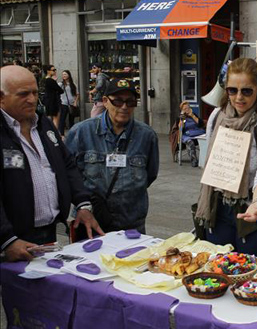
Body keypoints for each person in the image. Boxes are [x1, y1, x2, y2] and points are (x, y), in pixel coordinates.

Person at [0, 65, 102, 262]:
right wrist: (6, 239)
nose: (32, 99)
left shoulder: (43, 124)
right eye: (23, 94)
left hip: (48, 234)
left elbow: (67, 165)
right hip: (12, 241)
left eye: (35, 92)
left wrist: (82, 203)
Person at [195, 58, 257, 257]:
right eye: (232, 90)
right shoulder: (217, 117)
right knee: (217, 269)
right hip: (217, 207)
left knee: (249, 274)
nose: (239, 97)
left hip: (250, 210)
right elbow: (211, 162)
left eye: (246, 91)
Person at [66, 79, 159, 234]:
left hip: (131, 223)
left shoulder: (146, 136)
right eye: (117, 101)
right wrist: (82, 204)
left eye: (130, 102)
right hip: (91, 221)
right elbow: (69, 175)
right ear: (105, 102)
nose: (124, 107)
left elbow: (150, 174)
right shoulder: (81, 132)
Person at [170, 101, 205, 167]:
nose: (187, 110)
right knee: (190, 143)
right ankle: (194, 160)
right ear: (182, 110)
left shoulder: (193, 114)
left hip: (196, 133)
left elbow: (201, 124)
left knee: (205, 140)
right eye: (185, 109)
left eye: (188, 108)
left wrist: (192, 115)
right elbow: (180, 129)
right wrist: (182, 118)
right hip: (185, 135)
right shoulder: (180, 118)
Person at [41, 64, 63, 129]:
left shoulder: (44, 80)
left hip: (47, 100)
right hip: (54, 101)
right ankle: (55, 134)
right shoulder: (50, 80)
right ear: (48, 71)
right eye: (53, 70)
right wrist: (55, 81)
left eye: (55, 70)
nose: (55, 71)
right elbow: (61, 90)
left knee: (49, 118)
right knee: (55, 119)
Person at [58, 70, 78, 136]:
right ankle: (62, 134)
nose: (64, 76)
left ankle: (71, 133)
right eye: (63, 74)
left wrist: (75, 102)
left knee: (71, 120)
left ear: (69, 75)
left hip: (72, 104)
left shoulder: (72, 84)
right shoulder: (60, 84)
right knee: (62, 119)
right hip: (63, 103)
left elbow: (77, 94)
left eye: (65, 74)